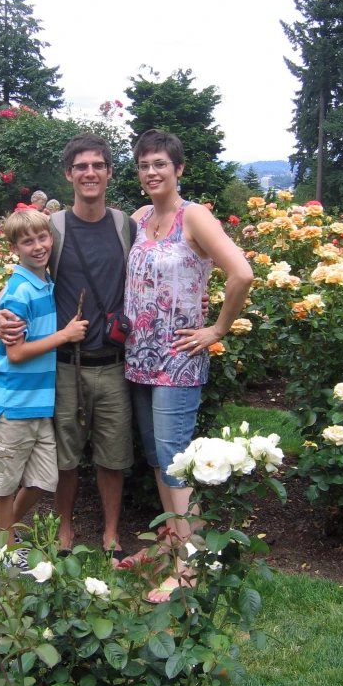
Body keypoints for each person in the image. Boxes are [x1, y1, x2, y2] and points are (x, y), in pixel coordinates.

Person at [0, 134, 137, 561]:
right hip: (64, 364)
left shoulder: (125, 225)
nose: (89, 173)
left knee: (114, 455)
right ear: (68, 174)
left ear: (110, 172)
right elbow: (20, 280)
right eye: (81, 167)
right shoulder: (53, 228)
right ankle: (65, 528)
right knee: (66, 458)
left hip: (114, 363)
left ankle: (111, 532)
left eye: (98, 165)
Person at [124, 129, 254, 603]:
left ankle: (189, 571)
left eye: (161, 163)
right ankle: (178, 547)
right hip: (138, 359)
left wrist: (217, 330)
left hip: (178, 360)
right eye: (144, 164)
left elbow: (241, 272)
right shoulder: (141, 219)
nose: (152, 171)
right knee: (161, 461)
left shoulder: (193, 217)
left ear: (178, 169)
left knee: (176, 461)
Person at [0, 209, 88, 569]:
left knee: (45, 479)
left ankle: (1, 527)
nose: (38, 246)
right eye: (27, 241)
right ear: (14, 247)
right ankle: (7, 551)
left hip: (39, 404)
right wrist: (64, 336)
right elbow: (16, 353)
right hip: (12, 404)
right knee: (4, 484)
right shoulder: (20, 290)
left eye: (43, 238)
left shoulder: (43, 283)